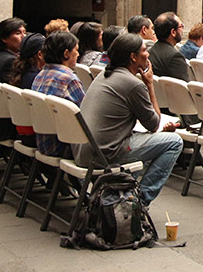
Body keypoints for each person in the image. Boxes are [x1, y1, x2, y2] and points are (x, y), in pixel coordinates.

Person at [74, 33, 182, 204]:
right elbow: (154, 124)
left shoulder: (103, 76)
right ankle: (138, 202)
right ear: (133, 57)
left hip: (83, 150)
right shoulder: (133, 84)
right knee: (174, 142)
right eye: (145, 50)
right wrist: (149, 84)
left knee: (145, 143)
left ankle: (118, 195)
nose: (148, 54)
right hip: (104, 153)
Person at [32, 31, 86, 158]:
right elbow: (85, 112)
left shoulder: (40, 74)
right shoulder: (69, 79)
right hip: (64, 145)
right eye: (76, 50)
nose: (78, 54)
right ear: (66, 54)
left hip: (43, 141)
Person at [0, 18, 27, 140]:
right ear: (4, 38)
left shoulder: (1, 55)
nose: (23, 37)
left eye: (24, 32)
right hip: (3, 123)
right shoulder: (9, 60)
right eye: (18, 33)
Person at [9, 33, 46, 147]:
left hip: (21, 131)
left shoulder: (22, 72)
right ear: (40, 54)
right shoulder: (36, 77)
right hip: (35, 134)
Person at [148, 12, 188, 81]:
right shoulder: (175, 56)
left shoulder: (149, 51)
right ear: (173, 32)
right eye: (181, 26)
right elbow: (183, 89)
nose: (182, 29)